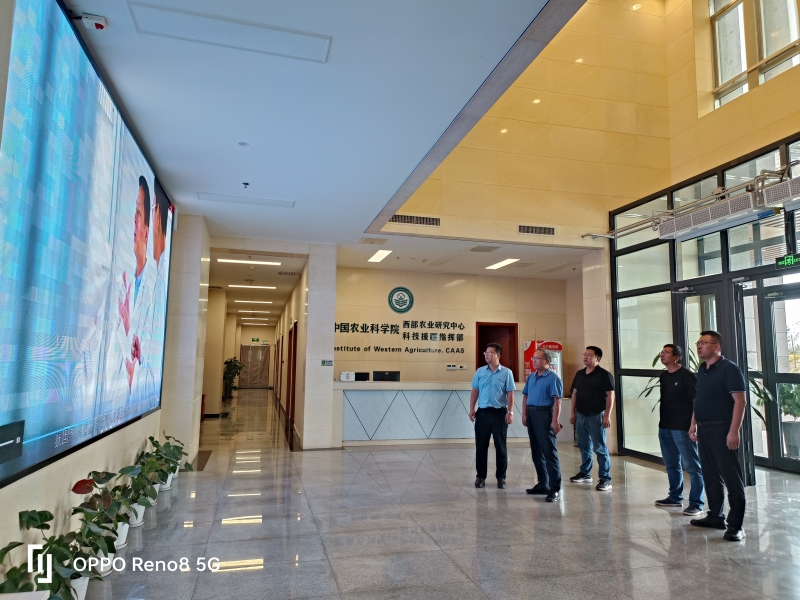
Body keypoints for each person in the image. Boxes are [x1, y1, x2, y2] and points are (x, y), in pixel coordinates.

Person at [689, 330, 747, 542]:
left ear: (717, 346)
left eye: (704, 343)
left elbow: (740, 401)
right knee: (710, 475)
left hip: (722, 428)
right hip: (703, 428)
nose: (699, 346)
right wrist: (693, 423)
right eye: (698, 343)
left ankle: (736, 526)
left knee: (731, 477)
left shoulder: (729, 369)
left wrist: (734, 431)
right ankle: (715, 516)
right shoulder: (702, 369)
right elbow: (699, 399)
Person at [655, 344, 705, 516]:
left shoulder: (687, 376)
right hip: (665, 426)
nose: (662, 355)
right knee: (671, 465)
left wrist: (693, 425)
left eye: (666, 352)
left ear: (676, 357)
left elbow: (696, 401)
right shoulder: (663, 376)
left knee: (692, 467)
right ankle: (675, 497)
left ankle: (697, 503)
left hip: (682, 427)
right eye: (662, 352)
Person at [469, 343, 516, 489]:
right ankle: (480, 477)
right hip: (482, 413)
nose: (486, 355)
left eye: (490, 352)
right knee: (481, 447)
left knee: (500, 447)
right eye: (486, 352)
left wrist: (510, 412)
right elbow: (475, 391)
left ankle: (501, 477)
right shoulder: (480, 372)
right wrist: (471, 409)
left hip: (499, 413)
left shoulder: (507, 373)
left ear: (498, 355)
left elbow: (510, 393)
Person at [569, 346, 615, 491]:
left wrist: (607, 415)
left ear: (597, 358)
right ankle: (585, 473)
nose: (585, 357)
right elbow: (574, 394)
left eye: (589, 355)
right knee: (583, 446)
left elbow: (610, 396)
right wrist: (572, 412)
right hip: (581, 415)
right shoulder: (580, 374)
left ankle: (605, 479)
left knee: (599, 448)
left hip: (596, 416)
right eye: (585, 354)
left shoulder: (604, 375)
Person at [522, 348, 564, 502]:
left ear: (547, 361)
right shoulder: (531, 377)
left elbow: (557, 401)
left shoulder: (553, 378)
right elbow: (525, 396)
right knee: (536, 452)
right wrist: (524, 414)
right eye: (533, 358)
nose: (534, 361)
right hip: (532, 414)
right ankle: (543, 484)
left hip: (545, 415)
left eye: (538, 358)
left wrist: (555, 420)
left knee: (549, 452)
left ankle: (554, 489)